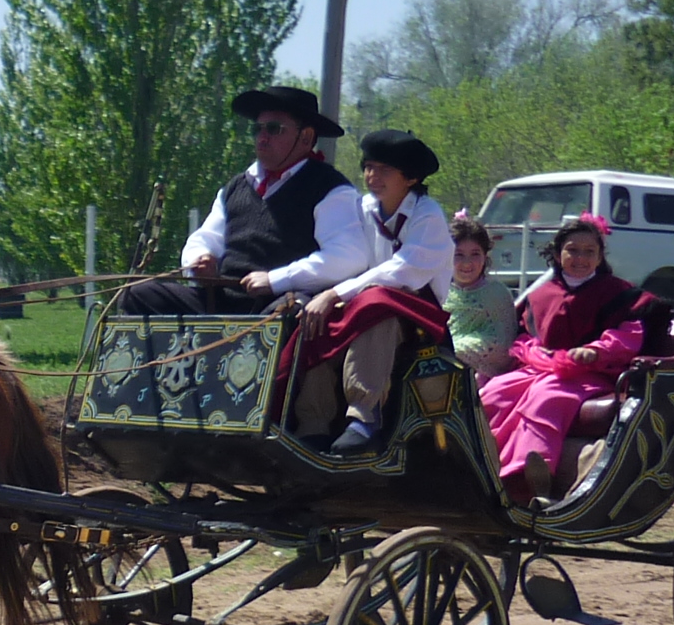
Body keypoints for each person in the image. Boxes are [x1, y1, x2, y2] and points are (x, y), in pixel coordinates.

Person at [120, 86, 367, 317]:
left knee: (285, 312)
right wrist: (199, 262)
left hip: (279, 301)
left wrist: (275, 280)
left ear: (306, 137)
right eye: (257, 129)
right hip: (219, 300)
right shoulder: (236, 187)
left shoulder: (331, 189)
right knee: (137, 295)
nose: (262, 137)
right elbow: (204, 239)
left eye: (274, 129)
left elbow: (347, 257)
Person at [289, 130, 453, 454]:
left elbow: (403, 272)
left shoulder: (428, 215)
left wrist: (336, 294)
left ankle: (364, 416)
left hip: (417, 316)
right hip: (360, 300)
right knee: (317, 319)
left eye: (384, 170)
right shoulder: (363, 209)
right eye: (368, 167)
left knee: (379, 307)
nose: (371, 177)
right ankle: (313, 423)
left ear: (411, 178)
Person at [480, 214, 658, 502]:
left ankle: (526, 479)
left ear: (600, 257)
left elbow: (629, 334)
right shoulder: (541, 294)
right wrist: (535, 350)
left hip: (592, 373)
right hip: (541, 368)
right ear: (557, 253)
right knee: (493, 392)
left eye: (590, 252)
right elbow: (526, 335)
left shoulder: (619, 293)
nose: (580, 258)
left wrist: (595, 350)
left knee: (545, 397)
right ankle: (481, 463)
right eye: (572, 250)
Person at [443, 215, 519, 382]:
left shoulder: (496, 294)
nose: (467, 263)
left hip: (484, 378)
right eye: (459, 255)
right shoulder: (438, 290)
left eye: (475, 254)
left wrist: (454, 350)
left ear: (485, 256)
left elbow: (501, 343)